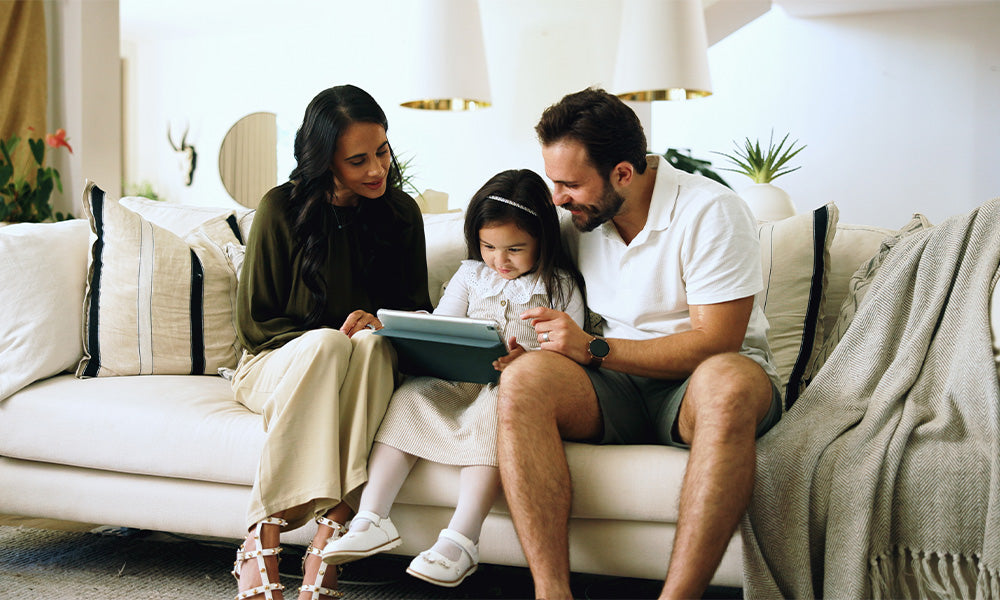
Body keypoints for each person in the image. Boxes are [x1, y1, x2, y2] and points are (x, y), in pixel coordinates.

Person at [496, 87, 784, 600]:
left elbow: (717, 342)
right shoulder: (585, 219)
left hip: (697, 385)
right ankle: (551, 594)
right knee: (525, 380)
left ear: (623, 174)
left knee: (728, 380)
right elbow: (504, 261)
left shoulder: (711, 211)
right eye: (552, 181)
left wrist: (592, 350)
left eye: (570, 184)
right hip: (615, 387)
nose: (558, 198)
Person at [319, 168, 586, 588]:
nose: (500, 260)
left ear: (543, 241)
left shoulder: (559, 285)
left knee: (494, 413)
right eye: (489, 247)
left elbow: (570, 352)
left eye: (515, 248)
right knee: (410, 396)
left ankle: (461, 539)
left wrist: (530, 358)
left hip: (513, 389)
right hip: (459, 378)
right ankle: (372, 518)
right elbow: (443, 324)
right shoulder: (471, 275)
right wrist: (398, 329)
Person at [231, 84, 432, 600]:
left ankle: (328, 536)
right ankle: (263, 530)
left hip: (362, 367)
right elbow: (255, 323)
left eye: (382, 151)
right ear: (325, 161)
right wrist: (332, 335)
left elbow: (419, 311)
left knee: (371, 347)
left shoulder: (402, 214)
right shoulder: (280, 208)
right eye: (358, 159)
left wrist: (381, 326)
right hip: (275, 364)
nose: (377, 170)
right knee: (328, 345)